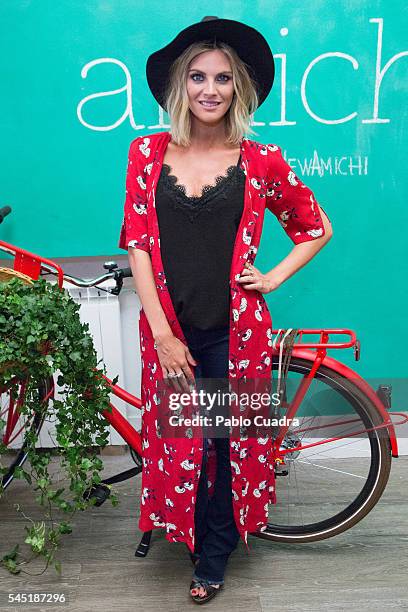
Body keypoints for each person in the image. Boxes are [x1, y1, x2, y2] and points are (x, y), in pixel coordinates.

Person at [119, 16, 333, 605]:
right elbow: (137, 245)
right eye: (197, 77)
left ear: (238, 89)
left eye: (222, 78)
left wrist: (272, 276)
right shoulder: (146, 152)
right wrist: (163, 334)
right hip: (169, 329)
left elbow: (315, 228)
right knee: (184, 439)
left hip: (234, 333)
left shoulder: (261, 160)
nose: (209, 89)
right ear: (180, 87)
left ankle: (212, 555)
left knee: (222, 444)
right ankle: (193, 537)